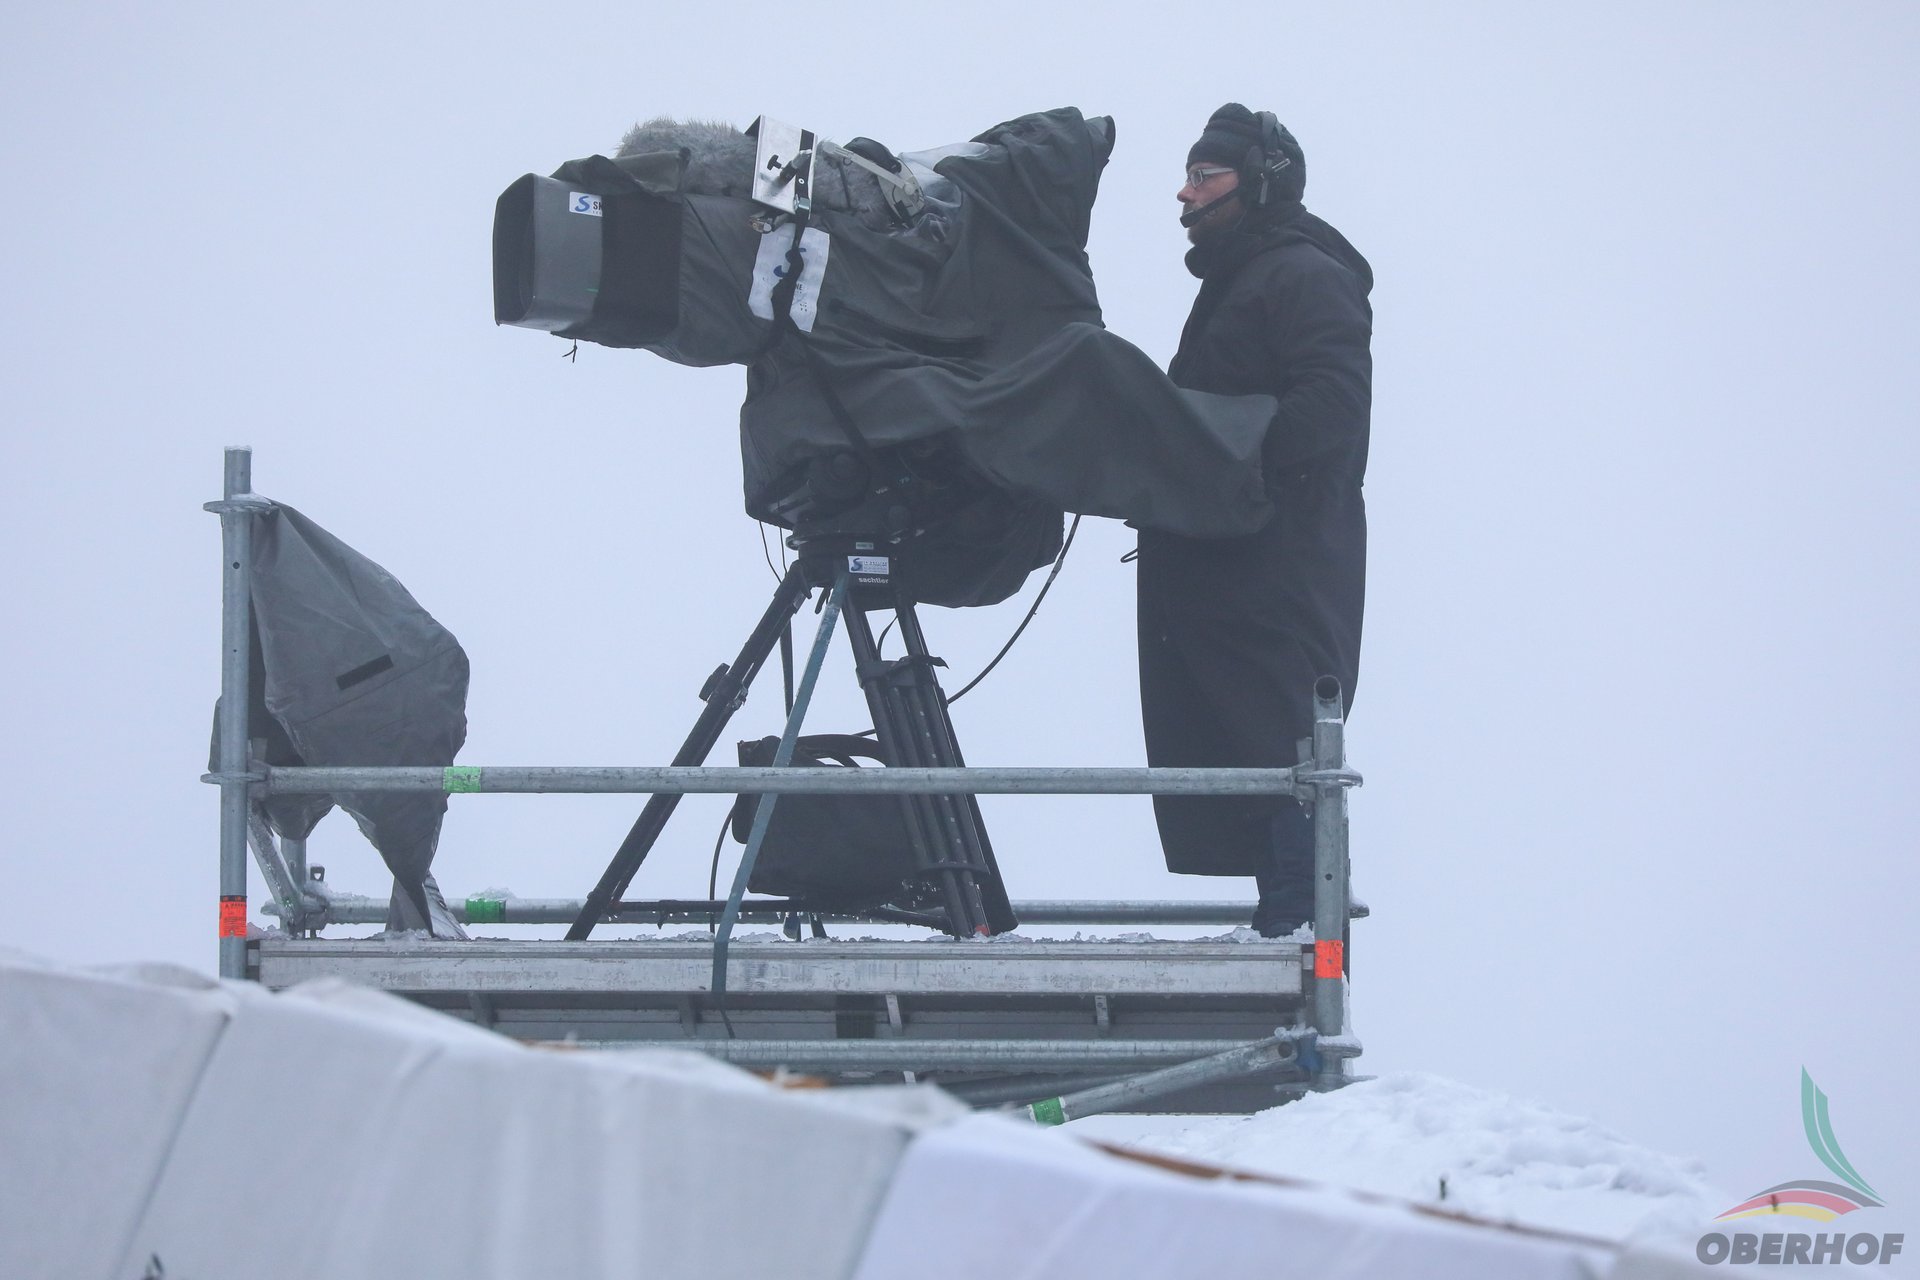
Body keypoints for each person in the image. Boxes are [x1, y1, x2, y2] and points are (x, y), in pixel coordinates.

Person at [1136, 103, 1373, 937]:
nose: (1186, 193)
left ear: (1262, 182)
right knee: (1249, 742)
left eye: (1205, 176)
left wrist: (1219, 464)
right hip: (1233, 571)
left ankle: (1300, 930)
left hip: (1275, 572)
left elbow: (1332, 405)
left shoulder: (1303, 274)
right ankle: (1286, 924)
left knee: (1281, 745)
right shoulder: (1246, 279)